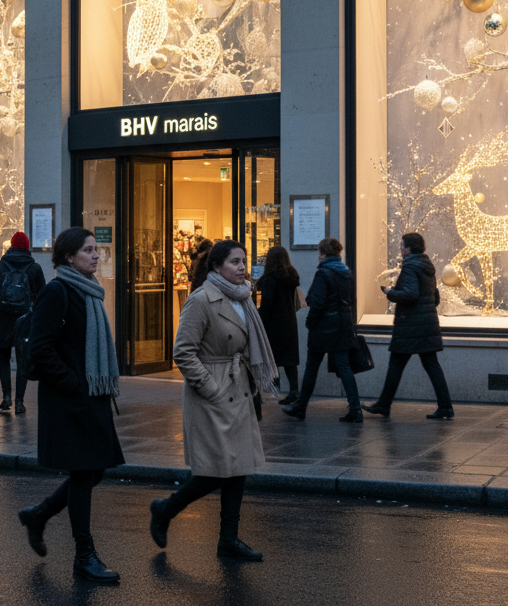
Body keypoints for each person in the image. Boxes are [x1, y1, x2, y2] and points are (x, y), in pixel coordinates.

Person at [149, 239, 276, 562]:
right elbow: (183, 352)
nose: (242, 267)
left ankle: (229, 540)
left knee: (239, 468)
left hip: (240, 388)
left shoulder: (243, 298)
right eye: (235, 262)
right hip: (214, 393)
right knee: (215, 471)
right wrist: (210, 388)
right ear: (216, 267)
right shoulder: (201, 300)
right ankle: (166, 508)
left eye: (244, 261)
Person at [17, 227, 124, 583]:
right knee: (83, 473)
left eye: (96, 250)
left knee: (95, 471)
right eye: (88, 250)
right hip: (71, 400)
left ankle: (39, 515)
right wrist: (74, 384)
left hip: (88, 397)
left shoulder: (90, 292)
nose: (95, 256)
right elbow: (41, 349)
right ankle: (84, 555)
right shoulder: (57, 291)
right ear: (68, 257)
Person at [364, 232, 453, 419]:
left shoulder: (411, 267)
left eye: (402, 245)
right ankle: (445, 406)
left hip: (410, 326)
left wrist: (390, 292)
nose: (401, 248)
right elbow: (434, 297)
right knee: (431, 365)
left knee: (396, 365)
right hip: (426, 324)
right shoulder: (428, 267)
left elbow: (411, 294)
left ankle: (384, 405)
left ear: (409, 248)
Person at [282, 237, 362, 423]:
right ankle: (355, 409)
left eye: (319, 253)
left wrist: (310, 322)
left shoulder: (324, 273)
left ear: (323, 254)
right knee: (344, 366)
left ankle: (301, 407)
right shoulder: (346, 273)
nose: (318, 257)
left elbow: (316, 302)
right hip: (343, 325)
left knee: (312, 367)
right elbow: (352, 300)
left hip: (324, 327)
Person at [0, 230, 45, 413]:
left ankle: (6, 397)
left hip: (4, 318)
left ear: (11, 246)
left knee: (3, 357)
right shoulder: (34, 268)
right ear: (27, 247)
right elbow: (42, 296)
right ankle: (20, 402)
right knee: (22, 360)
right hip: (25, 320)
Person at [256, 245, 301, 405]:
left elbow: (267, 305)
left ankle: (263, 389)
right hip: (289, 322)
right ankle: (294, 391)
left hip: (274, 324)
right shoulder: (291, 276)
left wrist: (259, 320)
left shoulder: (270, 279)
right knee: (289, 360)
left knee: (267, 357)